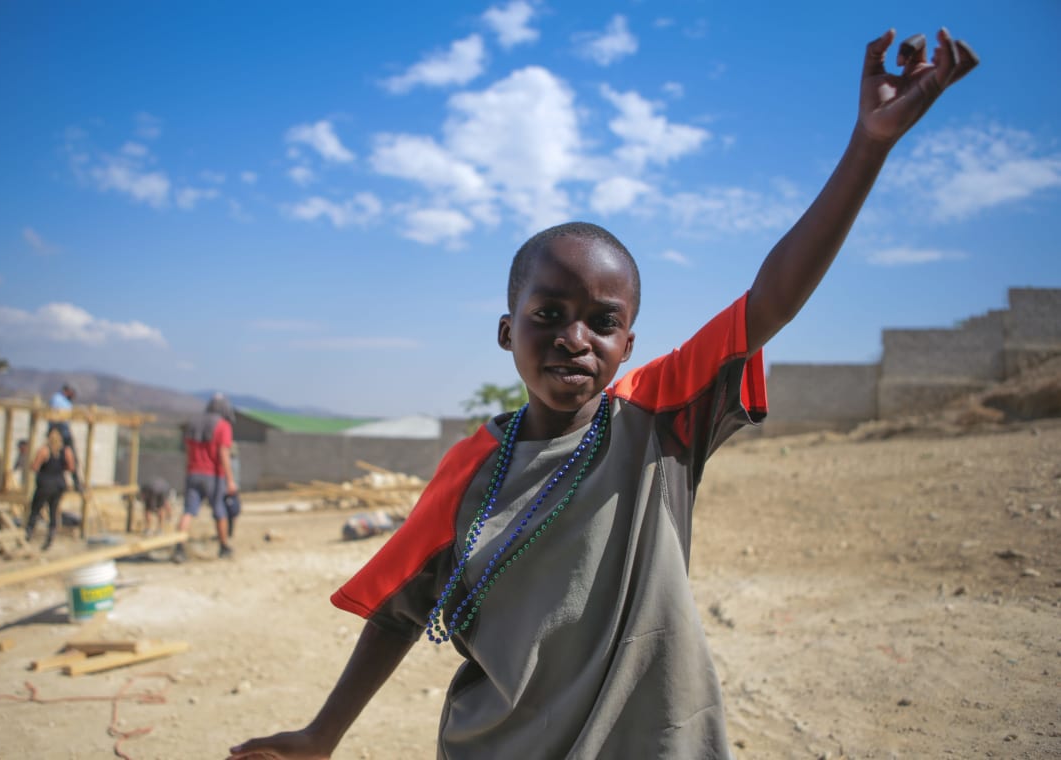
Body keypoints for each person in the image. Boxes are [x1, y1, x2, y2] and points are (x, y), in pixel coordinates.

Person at [229, 28, 978, 760]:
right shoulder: (470, 471)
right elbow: (399, 615)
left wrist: (868, 146)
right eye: (547, 315)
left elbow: (771, 299)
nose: (573, 338)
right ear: (505, 331)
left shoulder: (660, 417)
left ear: (629, 345)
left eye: (602, 322)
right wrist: (321, 736)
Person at [172, 393, 238, 562]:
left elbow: (187, 450)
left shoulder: (193, 424)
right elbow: (224, 453)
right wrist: (230, 480)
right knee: (219, 510)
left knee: (188, 511)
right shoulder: (223, 426)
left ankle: (179, 548)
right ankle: (224, 547)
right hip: (213, 475)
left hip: (193, 473)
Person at [23, 428, 76, 551]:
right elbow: (71, 467)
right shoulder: (65, 451)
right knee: (53, 511)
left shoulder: (44, 450)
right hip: (59, 484)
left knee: (35, 509)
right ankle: (50, 537)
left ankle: (28, 535)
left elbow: (35, 466)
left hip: (45, 484)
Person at [48, 383, 83, 491]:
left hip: (65, 430)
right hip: (58, 430)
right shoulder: (57, 399)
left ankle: (76, 483)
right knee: (55, 458)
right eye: (72, 393)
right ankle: (54, 482)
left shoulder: (67, 402)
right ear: (66, 391)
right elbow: (58, 415)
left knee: (71, 458)